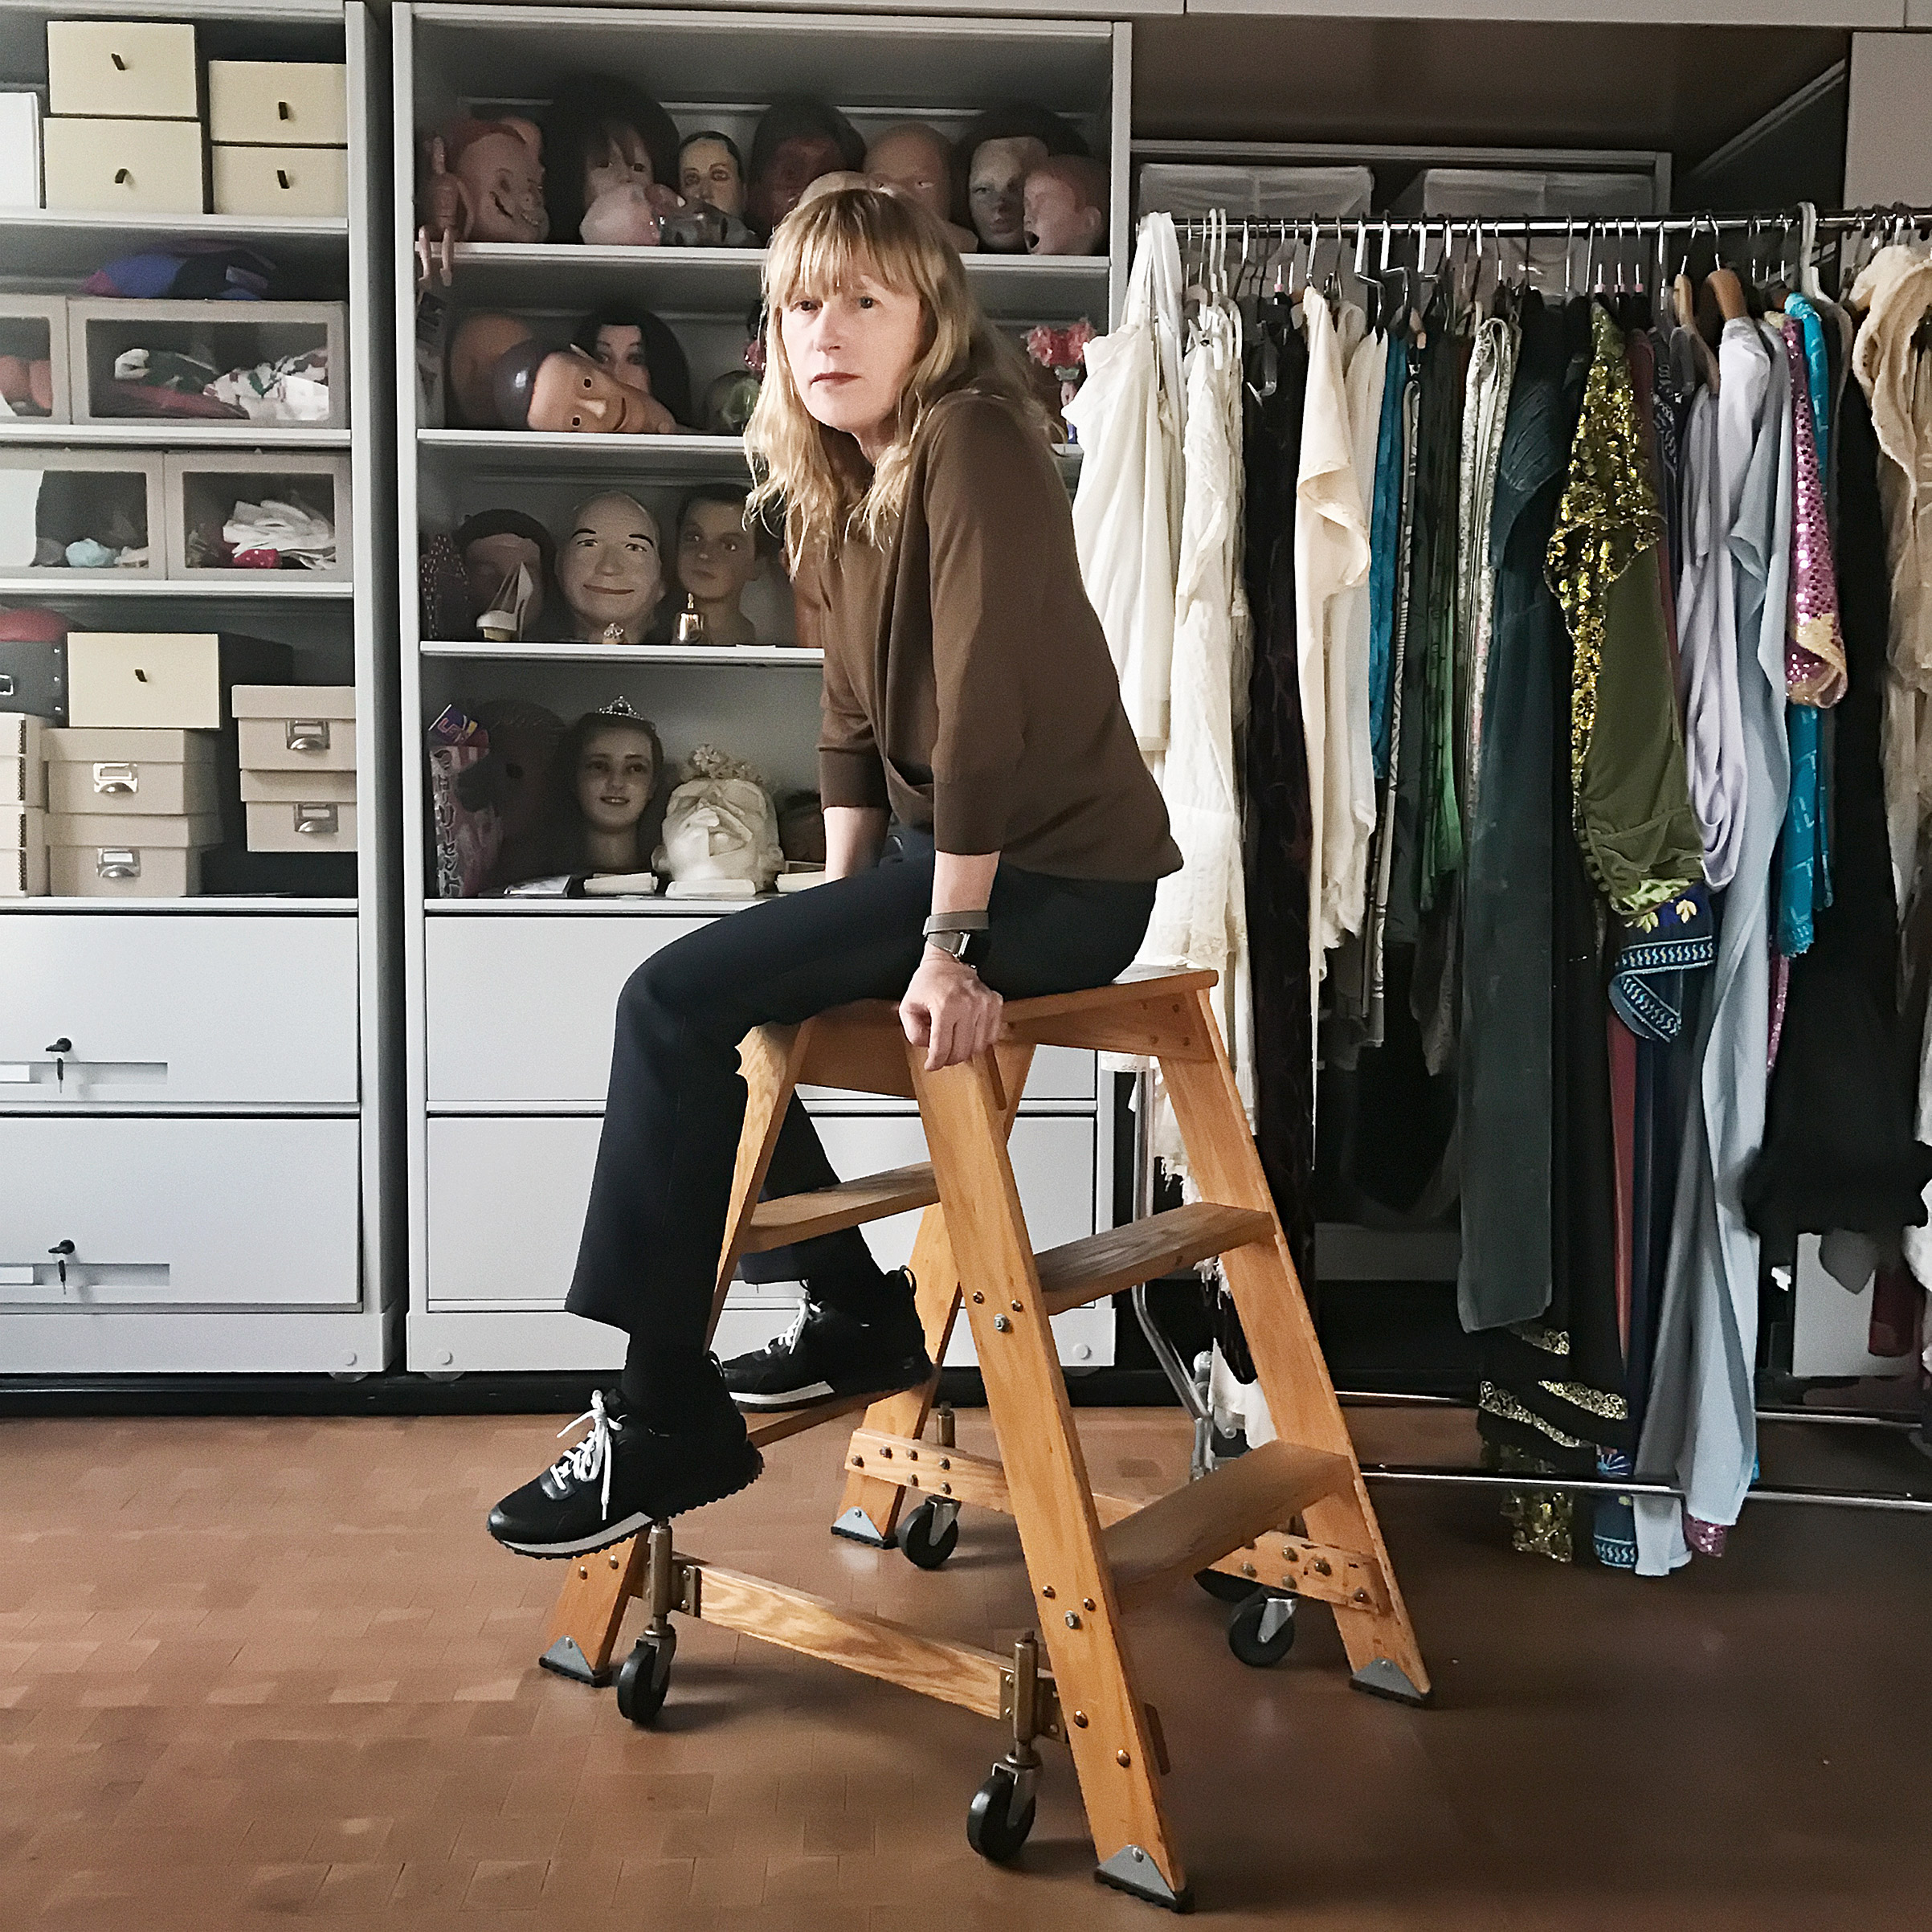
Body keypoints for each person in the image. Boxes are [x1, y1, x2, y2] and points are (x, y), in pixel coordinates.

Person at [486, 186, 1178, 1560]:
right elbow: (851, 727)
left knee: (660, 1002)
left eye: (867, 298)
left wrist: (951, 943)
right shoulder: (833, 484)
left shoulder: (972, 439)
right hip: (950, 865)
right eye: (805, 302)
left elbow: (982, 712)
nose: (829, 329)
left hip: (1057, 880)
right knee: (733, 1001)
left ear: (931, 322)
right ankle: (851, 1312)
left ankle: (660, 1403)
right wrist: (835, 919)